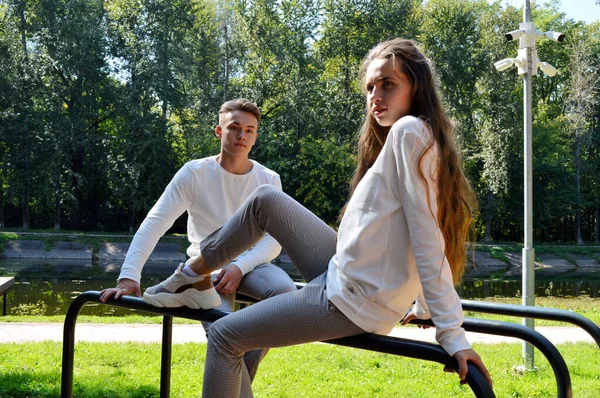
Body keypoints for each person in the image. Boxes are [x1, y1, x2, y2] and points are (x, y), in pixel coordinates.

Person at [144, 38, 493, 397]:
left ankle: (188, 277)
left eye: (389, 85)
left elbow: (427, 234)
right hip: (345, 272)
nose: (376, 95)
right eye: (370, 87)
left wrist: (451, 332)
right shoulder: (414, 136)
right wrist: (421, 305)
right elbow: (408, 229)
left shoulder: (408, 133)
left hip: (351, 299)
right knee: (266, 200)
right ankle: (190, 277)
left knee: (224, 336)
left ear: (416, 87)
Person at [99, 98, 297, 384]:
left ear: (256, 136)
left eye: (250, 130)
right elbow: (155, 223)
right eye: (235, 127)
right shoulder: (195, 172)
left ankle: (240, 380)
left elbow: (273, 241)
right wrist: (129, 275)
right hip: (206, 271)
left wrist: (241, 266)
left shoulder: (268, 179)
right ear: (219, 131)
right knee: (224, 335)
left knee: (286, 297)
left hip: (254, 266)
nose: (242, 136)